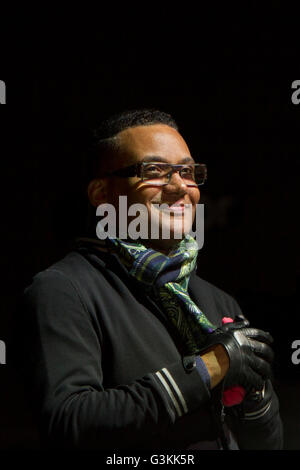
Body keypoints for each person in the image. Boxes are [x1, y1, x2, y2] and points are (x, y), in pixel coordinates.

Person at [19, 108, 283, 450]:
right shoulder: (63, 290)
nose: (178, 187)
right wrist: (210, 368)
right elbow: (69, 422)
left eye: (188, 172)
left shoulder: (217, 301)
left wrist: (257, 400)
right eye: (154, 171)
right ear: (101, 194)